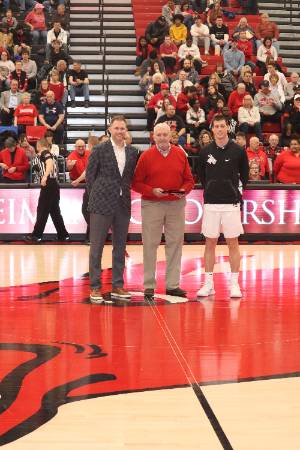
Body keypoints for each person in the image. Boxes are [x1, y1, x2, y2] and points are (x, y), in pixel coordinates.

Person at [132, 122, 194, 298]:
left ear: (171, 136)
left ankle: (172, 285)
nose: (162, 138)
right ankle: (149, 285)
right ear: (153, 136)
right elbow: (136, 183)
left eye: (165, 135)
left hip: (176, 205)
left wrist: (184, 190)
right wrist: (151, 191)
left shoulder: (180, 154)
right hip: (152, 205)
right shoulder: (146, 156)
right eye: (158, 135)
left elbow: (189, 180)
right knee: (150, 244)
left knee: (175, 244)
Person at [85, 115, 139, 304]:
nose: (119, 131)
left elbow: (130, 177)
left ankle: (117, 284)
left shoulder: (133, 152)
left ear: (126, 131)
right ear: (110, 129)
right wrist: (96, 197)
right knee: (96, 247)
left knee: (120, 247)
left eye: (122, 128)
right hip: (101, 203)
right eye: (116, 128)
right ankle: (95, 286)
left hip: (122, 203)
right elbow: (90, 178)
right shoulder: (99, 149)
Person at [197, 114, 249, 298]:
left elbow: (245, 176)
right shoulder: (204, 152)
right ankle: (208, 283)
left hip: (231, 204)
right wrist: (211, 189)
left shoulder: (238, 151)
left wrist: (235, 192)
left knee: (232, 243)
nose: (219, 129)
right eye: (216, 126)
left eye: (222, 126)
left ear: (228, 127)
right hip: (211, 204)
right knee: (209, 243)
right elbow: (201, 176)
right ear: (212, 129)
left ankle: (234, 284)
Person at [25, 138, 70, 242]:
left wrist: (44, 176)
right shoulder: (50, 154)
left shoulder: (45, 153)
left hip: (49, 183)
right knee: (54, 211)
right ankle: (63, 235)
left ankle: (36, 236)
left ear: (39, 145)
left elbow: (49, 163)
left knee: (42, 210)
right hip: (54, 184)